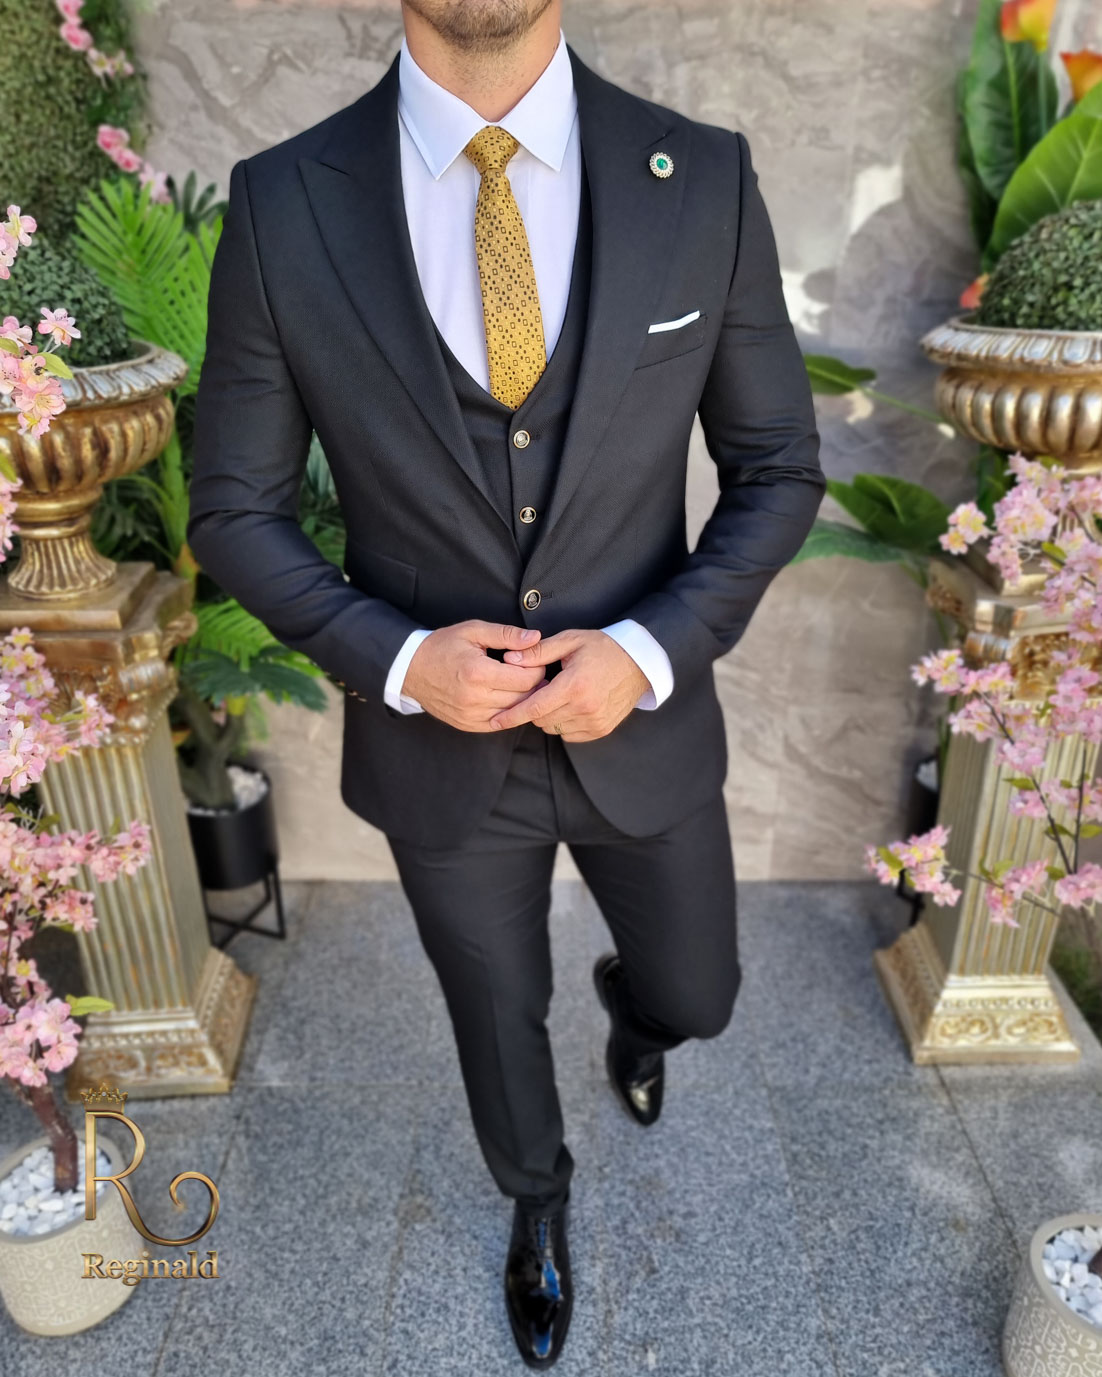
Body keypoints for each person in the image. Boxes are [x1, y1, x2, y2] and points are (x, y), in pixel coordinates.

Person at [188, 0, 826, 1366]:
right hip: (437, 749)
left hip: (639, 725)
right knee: (494, 1013)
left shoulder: (700, 175)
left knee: (701, 994)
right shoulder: (284, 201)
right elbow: (234, 508)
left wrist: (645, 652)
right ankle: (536, 1198)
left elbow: (777, 469)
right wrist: (398, 659)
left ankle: (638, 1015)